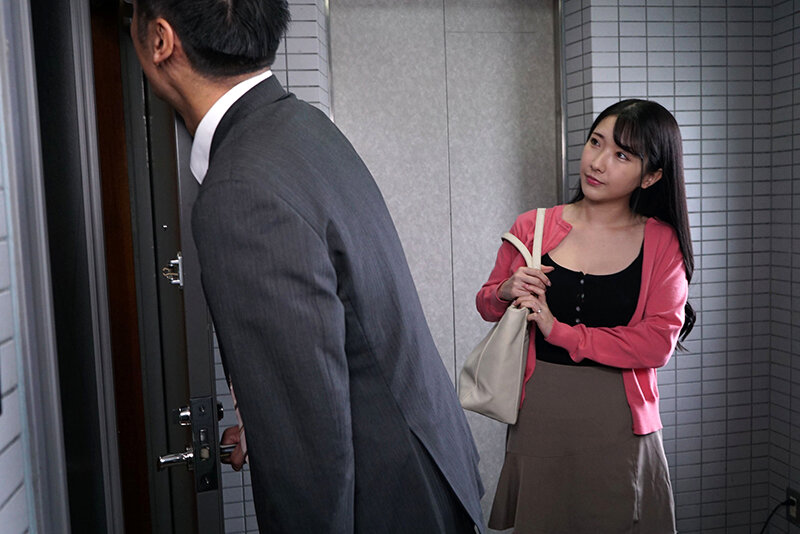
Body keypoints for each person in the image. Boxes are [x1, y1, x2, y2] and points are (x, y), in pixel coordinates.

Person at [130, 1, 485, 531]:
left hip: (384, 503)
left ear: (161, 40)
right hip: (424, 469)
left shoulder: (240, 187)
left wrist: (286, 432)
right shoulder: (299, 126)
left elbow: (309, 445)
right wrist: (268, 421)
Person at [477, 99, 694, 533]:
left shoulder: (662, 241)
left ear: (651, 176)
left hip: (620, 422)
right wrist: (505, 289)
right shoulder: (532, 227)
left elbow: (655, 345)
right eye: (596, 142)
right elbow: (487, 305)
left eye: (622, 155)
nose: (597, 162)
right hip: (539, 414)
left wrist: (559, 331)